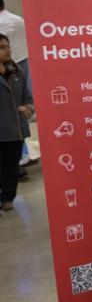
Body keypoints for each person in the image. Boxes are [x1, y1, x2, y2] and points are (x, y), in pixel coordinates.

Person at [0, 34, 32, 213]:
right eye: (2, 47)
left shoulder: (16, 71)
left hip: (16, 129)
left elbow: (27, 97)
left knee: (12, 165)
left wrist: (27, 107)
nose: (7, 50)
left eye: (7, 46)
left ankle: (8, 198)